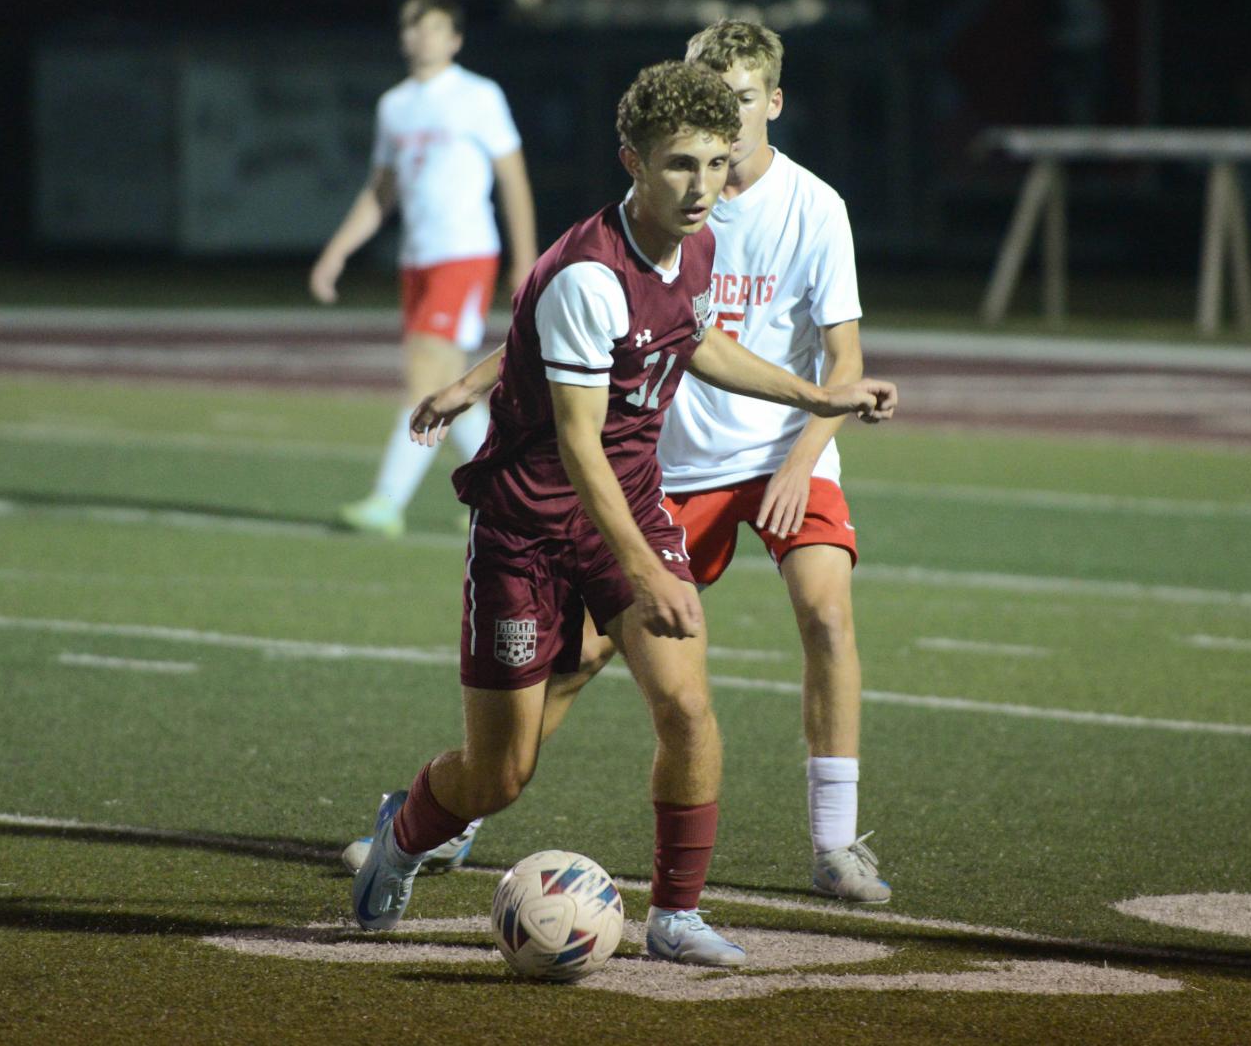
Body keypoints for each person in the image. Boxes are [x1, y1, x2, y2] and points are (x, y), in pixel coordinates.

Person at [342, 61, 897, 968]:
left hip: (630, 507)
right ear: (631, 161)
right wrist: (645, 571)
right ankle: (406, 833)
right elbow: (576, 447)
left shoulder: (699, 243)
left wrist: (813, 393)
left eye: (718, 165)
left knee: (685, 706)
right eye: (682, 165)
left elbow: (698, 339)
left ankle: (675, 916)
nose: (703, 187)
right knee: (502, 774)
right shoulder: (586, 278)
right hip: (528, 531)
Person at [309, 0, 537, 537]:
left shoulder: (478, 95)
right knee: (444, 383)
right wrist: (337, 252)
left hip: (464, 253)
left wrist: (525, 257)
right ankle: (508, 497)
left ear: (454, 39)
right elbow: (380, 193)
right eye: (414, 27)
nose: (422, 36)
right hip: (418, 261)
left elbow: (512, 177)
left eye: (434, 27)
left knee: (423, 378)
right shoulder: (394, 105)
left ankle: (387, 502)